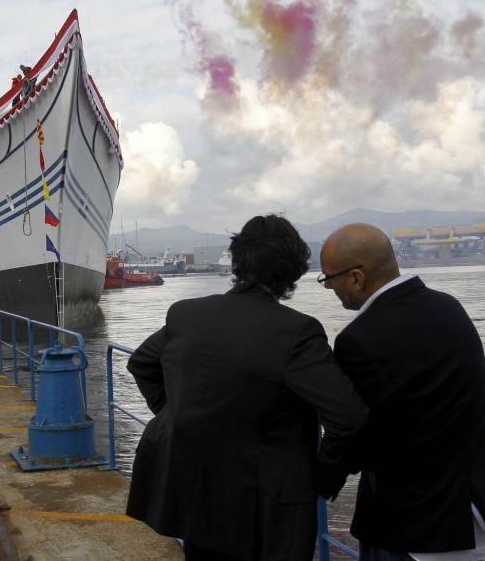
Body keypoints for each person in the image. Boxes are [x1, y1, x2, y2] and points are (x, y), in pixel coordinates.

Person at [126, 214, 368, 561]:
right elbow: (348, 417)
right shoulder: (297, 332)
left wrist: (175, 414)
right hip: (268, 511)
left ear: (238, 262)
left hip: (197, 492)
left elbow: (142, 364)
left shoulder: (187, 315)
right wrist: (322, 478)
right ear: (295, 271)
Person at [316, 223, 485, 561]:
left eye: (328, 279)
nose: (330, 288)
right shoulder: (449, 308)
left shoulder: (359, 339)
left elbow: (353, 433)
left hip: (412, 527)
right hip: (480, 518)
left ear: (356, 278)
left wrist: (316, 482)